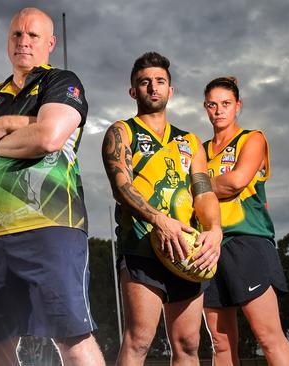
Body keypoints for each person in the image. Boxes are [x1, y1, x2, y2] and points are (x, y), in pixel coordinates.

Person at [0, 7, 105, 366]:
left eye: (33, 36)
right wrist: (14, 124)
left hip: (51, 228)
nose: (23, 42)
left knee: (72, 339)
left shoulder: (61, 82)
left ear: (50, 43)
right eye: (17, 35)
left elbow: (48, 137)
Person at [101, 52, 223, 366]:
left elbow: (204, 193)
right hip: (142, 245)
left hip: (186, 250)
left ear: (171, 89)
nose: (153, 88)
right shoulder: (122, 132)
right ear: (133, 91)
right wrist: (159, 220)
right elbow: (121, 187)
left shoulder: (190, 141)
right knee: (139, 340)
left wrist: (215, 231)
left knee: (188, 345)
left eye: (160, 81)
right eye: (145, 82)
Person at [201, 76, 289, 365]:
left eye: (226, 104)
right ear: (205, 107)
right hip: (209, 245)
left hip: (247, 241)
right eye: (212, 104)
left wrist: (195, 188)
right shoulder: (199, 150)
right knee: (220, 343)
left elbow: (236, 181)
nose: (219, 110)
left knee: (267, 335)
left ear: (238, 106)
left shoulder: (251, 138)